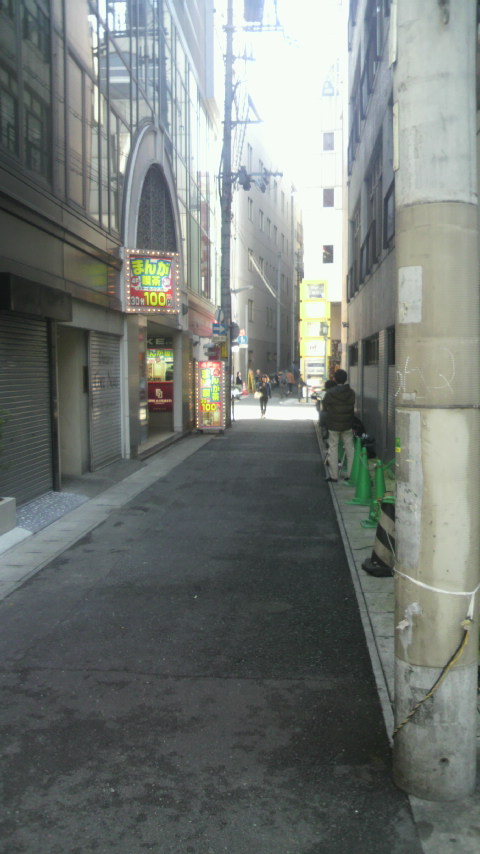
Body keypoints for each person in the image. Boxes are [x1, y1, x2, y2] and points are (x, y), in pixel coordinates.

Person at [321, 369, 356, 482]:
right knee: (350, 449)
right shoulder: (351, 392)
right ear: (346, 379)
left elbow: (324, 406)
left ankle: (334, 476)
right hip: (347, 424)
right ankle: (351, 474)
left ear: (335, 379)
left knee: (333, 448)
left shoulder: (330, 393)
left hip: (333, 424)